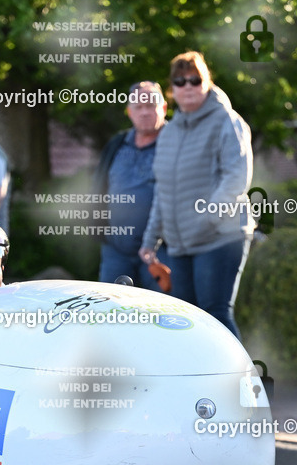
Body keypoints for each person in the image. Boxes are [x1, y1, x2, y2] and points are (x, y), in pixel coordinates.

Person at [139, 51, 254, 339]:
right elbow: (162, 192)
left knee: (215, 315)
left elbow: (236, 177)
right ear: (172, 88)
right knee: (186, 319)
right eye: (180, 81)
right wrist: (150, 240)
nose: (187, 86)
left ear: (207, 82)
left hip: (219, 238)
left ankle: (242, 384)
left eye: (194, 79)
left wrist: (208, 219)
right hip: (180, 246)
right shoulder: (169, 133)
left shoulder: (227, 121)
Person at [93, 81, 172, 292]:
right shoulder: (117, 144)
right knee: (109, 311)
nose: (145, 112)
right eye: (139, 107)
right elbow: (99, 187)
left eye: (151, 106)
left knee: (161, 316)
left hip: (162, 251)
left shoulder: (177, 143)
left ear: (163, 108)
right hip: (116, 250)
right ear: (129, 111)